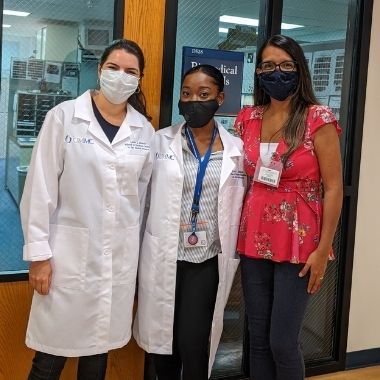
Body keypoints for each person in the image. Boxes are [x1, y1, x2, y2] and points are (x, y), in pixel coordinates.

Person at [20, 39, 155, 380]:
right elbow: (40, 189)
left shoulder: (144, 131)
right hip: (66, 258)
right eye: (114, 68)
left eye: (130, 71)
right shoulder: (64, 117)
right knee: (51, 355)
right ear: (99, 70)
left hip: (117, 262)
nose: (121, 77)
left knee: (98, 351)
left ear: (139, 79)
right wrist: (38, 255)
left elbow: (140, 200)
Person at [234, 35, 343, 380]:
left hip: (299, 241)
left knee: (282, 341)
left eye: (285, 65)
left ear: (299, 69)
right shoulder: (248, 117)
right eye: (267, 65)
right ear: (258, 71)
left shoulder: (317, 118)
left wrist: (323, 249)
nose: (276, 72)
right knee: (258, 340)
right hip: (254, 238)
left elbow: (334, 187)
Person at [133, 64, 246, 380]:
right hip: (163, 256)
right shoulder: (159, 143)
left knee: (193, 343)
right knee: (162, 347)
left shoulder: (236, 150)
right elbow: (139, 200)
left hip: (205, 260)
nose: (193, 100)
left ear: (220, 98)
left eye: (203, 94)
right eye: (187, 93)